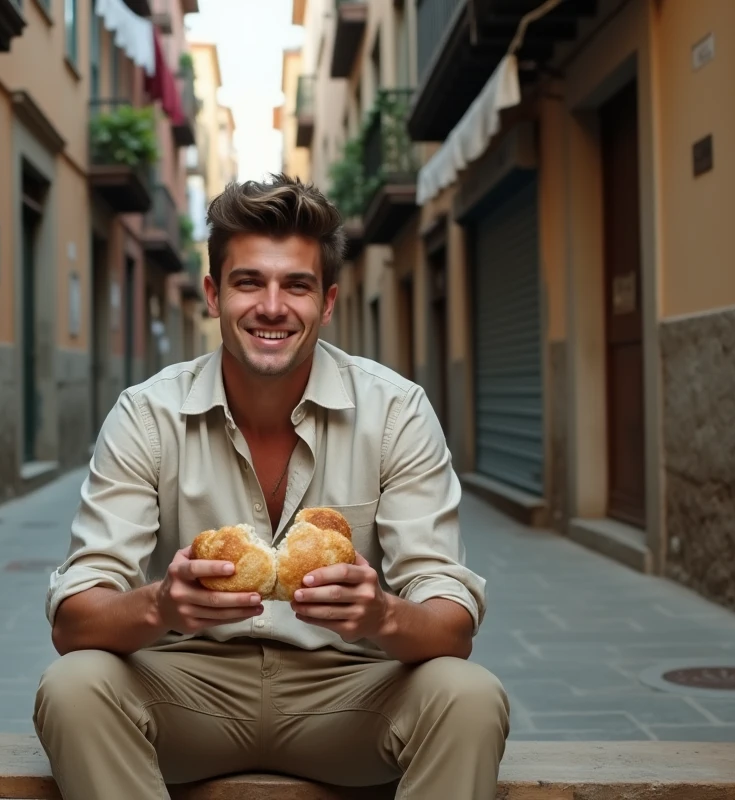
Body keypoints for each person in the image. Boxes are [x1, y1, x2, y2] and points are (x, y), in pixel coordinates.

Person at [35, 174, 509, 799]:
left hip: (350, 693)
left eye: (297, 285)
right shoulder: (146, 414)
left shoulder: (396, 410)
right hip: (188, 688)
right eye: (249, 281)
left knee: (470, 697)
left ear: (329, 302)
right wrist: (162, 605)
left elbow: (453, 627)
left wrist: (380, 613)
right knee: (73, 687)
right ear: (213, 293)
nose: (272, 306)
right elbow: (74, 621)